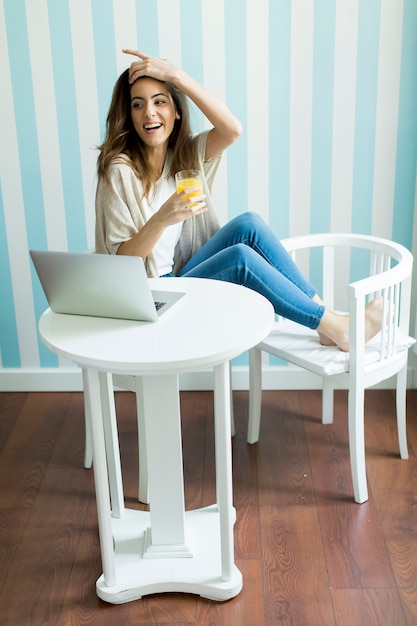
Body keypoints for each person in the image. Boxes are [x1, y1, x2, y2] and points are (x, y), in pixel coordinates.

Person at [95, 49, 382, 352]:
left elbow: (232, 129)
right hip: (149, 296)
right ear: (129, 115)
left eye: (160, 101)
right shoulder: (119, 170)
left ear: (176, 111)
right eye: (137, 105)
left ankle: (330, 324)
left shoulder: (184, 157)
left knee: (249, 224)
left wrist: (176, 76)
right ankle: (336, 328)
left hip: (178, 278)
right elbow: (122, 264)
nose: (149, 113)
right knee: (240, 260)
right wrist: (162, 218)